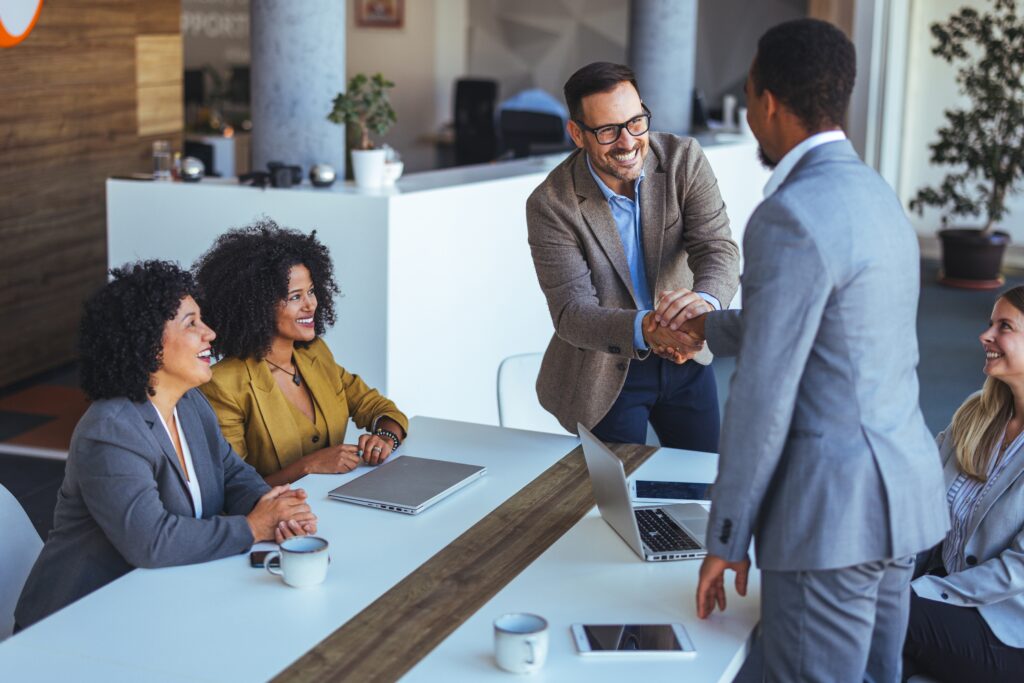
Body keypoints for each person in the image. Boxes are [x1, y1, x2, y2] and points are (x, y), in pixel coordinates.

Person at [652, 20, 949, 681]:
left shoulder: (789, 214)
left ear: (767, 102)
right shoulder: (875, 193)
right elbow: (835, 331)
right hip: (900, 501)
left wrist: (726, 536)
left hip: (830, 519)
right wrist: (707, 327)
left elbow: (762, 395)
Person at [14, 261, 316, 630]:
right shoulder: (110, 431)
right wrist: (253, 528)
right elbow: (150, 541)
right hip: (78, 622)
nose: (210, 333)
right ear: (149, 345)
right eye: (191, 324)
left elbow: (232, 473)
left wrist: (276, 510)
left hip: (160, 601)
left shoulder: (189, 403)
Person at [525, 61, 740, 450]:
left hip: (688, 352)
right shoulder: (551, 204)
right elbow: (572, 312)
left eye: (636, 122)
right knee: (619, 486)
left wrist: (703, 307)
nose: (627, 142)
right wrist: (649, 329)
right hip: (606, 369)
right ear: (577, 134)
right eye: (607, 130)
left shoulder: (684, 159)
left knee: (702, 475)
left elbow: (717, 248)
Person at [194, 220, 408, 485]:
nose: (311, 304)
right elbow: (234, 488)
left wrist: (385, 438)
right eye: (295, 296)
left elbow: (379, 408)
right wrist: (308, 466)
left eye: (311, 291)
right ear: (258, 305)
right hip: (280, 511)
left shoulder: (316, 355)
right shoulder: (223, 385)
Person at [903, 287, 1024, 682]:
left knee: (873, 612)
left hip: (1007, 628)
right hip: (943, 591)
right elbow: (918, 497)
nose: (985, 335)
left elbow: (1017, 572)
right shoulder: (977, 413)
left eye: (1004, 327)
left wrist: (919, 591)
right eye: (990, 323)